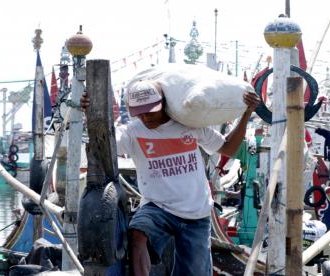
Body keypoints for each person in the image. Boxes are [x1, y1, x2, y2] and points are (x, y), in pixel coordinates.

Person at [81, 80, 260, 276]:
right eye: (140, 113)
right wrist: (90, 114)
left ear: (164, 104)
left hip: (196, 213)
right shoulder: (133, 132)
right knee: (137, 233)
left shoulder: (190, 126)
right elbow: (104, 144)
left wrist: (246, 114)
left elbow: (228, 147)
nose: (145, 117)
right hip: (157, 207)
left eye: (150, 111)